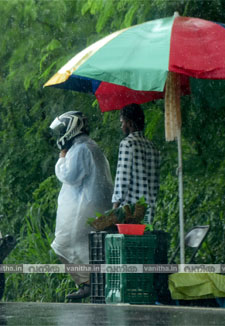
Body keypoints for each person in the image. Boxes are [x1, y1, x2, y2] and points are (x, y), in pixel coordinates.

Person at [49, 111, 113, 300]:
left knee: (62, 244)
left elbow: (70, 175)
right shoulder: (89, 145)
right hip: (95, 205)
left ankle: (87, 284)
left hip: (85, 208)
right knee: (86, 246)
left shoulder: (80, 148)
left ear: (71, 127)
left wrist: (61, 158)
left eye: (62, 129)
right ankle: (91, 283)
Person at [111, 103, 160, 224]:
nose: (122, 126)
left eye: (123, 122)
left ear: (130, 123)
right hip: (148, 213)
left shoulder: (127, 144)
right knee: (142, 242)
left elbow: (122, 181)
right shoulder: (152, 146)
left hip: (129, 213)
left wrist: (114, 209)